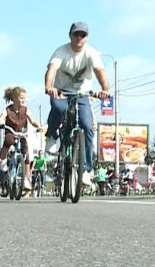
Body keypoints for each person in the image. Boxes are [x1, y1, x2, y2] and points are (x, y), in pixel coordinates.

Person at [44, 22, 110, 175]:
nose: (79, 38)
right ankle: (52, 136)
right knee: (59, 108)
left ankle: (86, 169)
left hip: (82, 94)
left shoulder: (90, 53)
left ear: (86, 38)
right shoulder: (61, 51)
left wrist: (105, 89)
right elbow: (52, 69)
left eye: (83, 35)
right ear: (70, 36)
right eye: (76, 34)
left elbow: (99, 71)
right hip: (61, 92)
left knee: (87, 127)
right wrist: (49, 87)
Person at [0, 86, 44, 190]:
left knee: (25, 152)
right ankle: (3, 160)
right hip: (11, 133)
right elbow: (1, 118)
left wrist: (38, 126)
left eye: (24, 98)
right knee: (8, 141)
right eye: (21, 98)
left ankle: (26, 178)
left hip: (22, 134)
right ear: (14, 98)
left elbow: (32, 121)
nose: (23, 100)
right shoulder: (8, 110)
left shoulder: (26, 110)